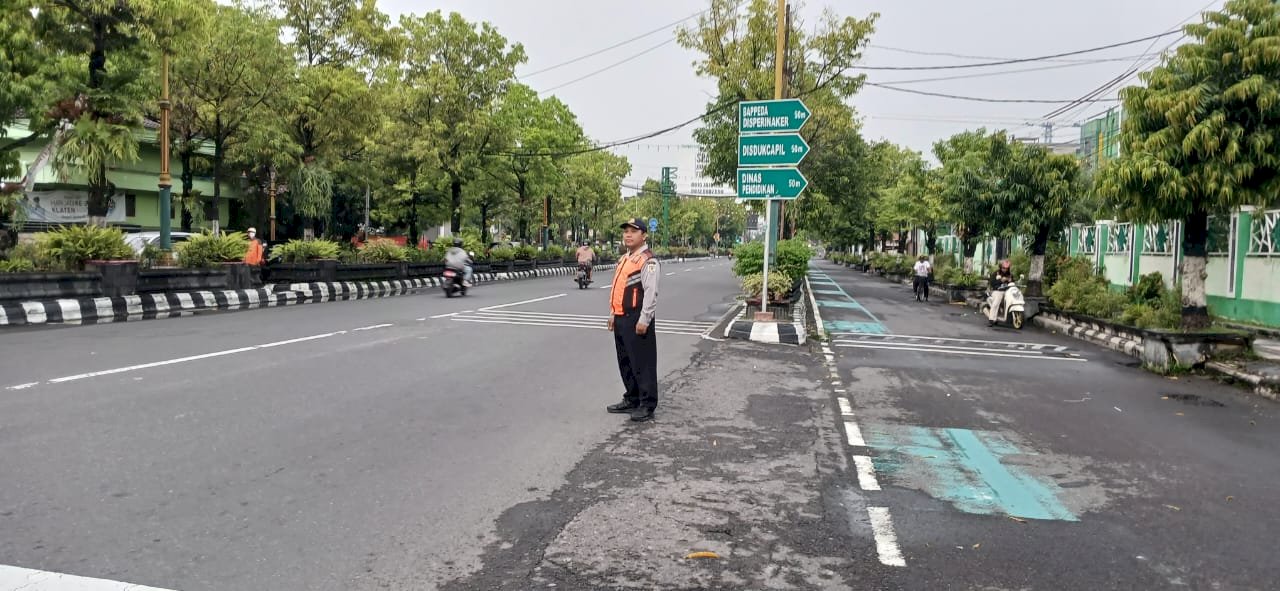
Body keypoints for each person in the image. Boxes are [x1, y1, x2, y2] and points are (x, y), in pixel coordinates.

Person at [606, 218, 661, 423]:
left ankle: (647, 404)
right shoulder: (625, 259)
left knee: (643, 363)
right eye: (626, 232)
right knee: (626, 361)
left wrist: (644, 319)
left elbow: (651, 292)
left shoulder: (648, 260)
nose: (628, 235)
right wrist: (613, 313)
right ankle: (632, 397)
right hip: (621, 317)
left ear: (644, 235)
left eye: (633, 231)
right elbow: (618, 289)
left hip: (637, 318)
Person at [987, 259, 1014, 326]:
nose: (1005, 270)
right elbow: (992, 283)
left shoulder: (1009, 275)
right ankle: (992, 319)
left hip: (1007, 291)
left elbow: (1013, 282)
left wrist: (1010, 281)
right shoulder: (995, 273)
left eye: (1007, 268)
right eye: (1003, 268)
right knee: (996, 301)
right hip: (997, 291)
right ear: (1000, 267)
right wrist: (1001, 281)